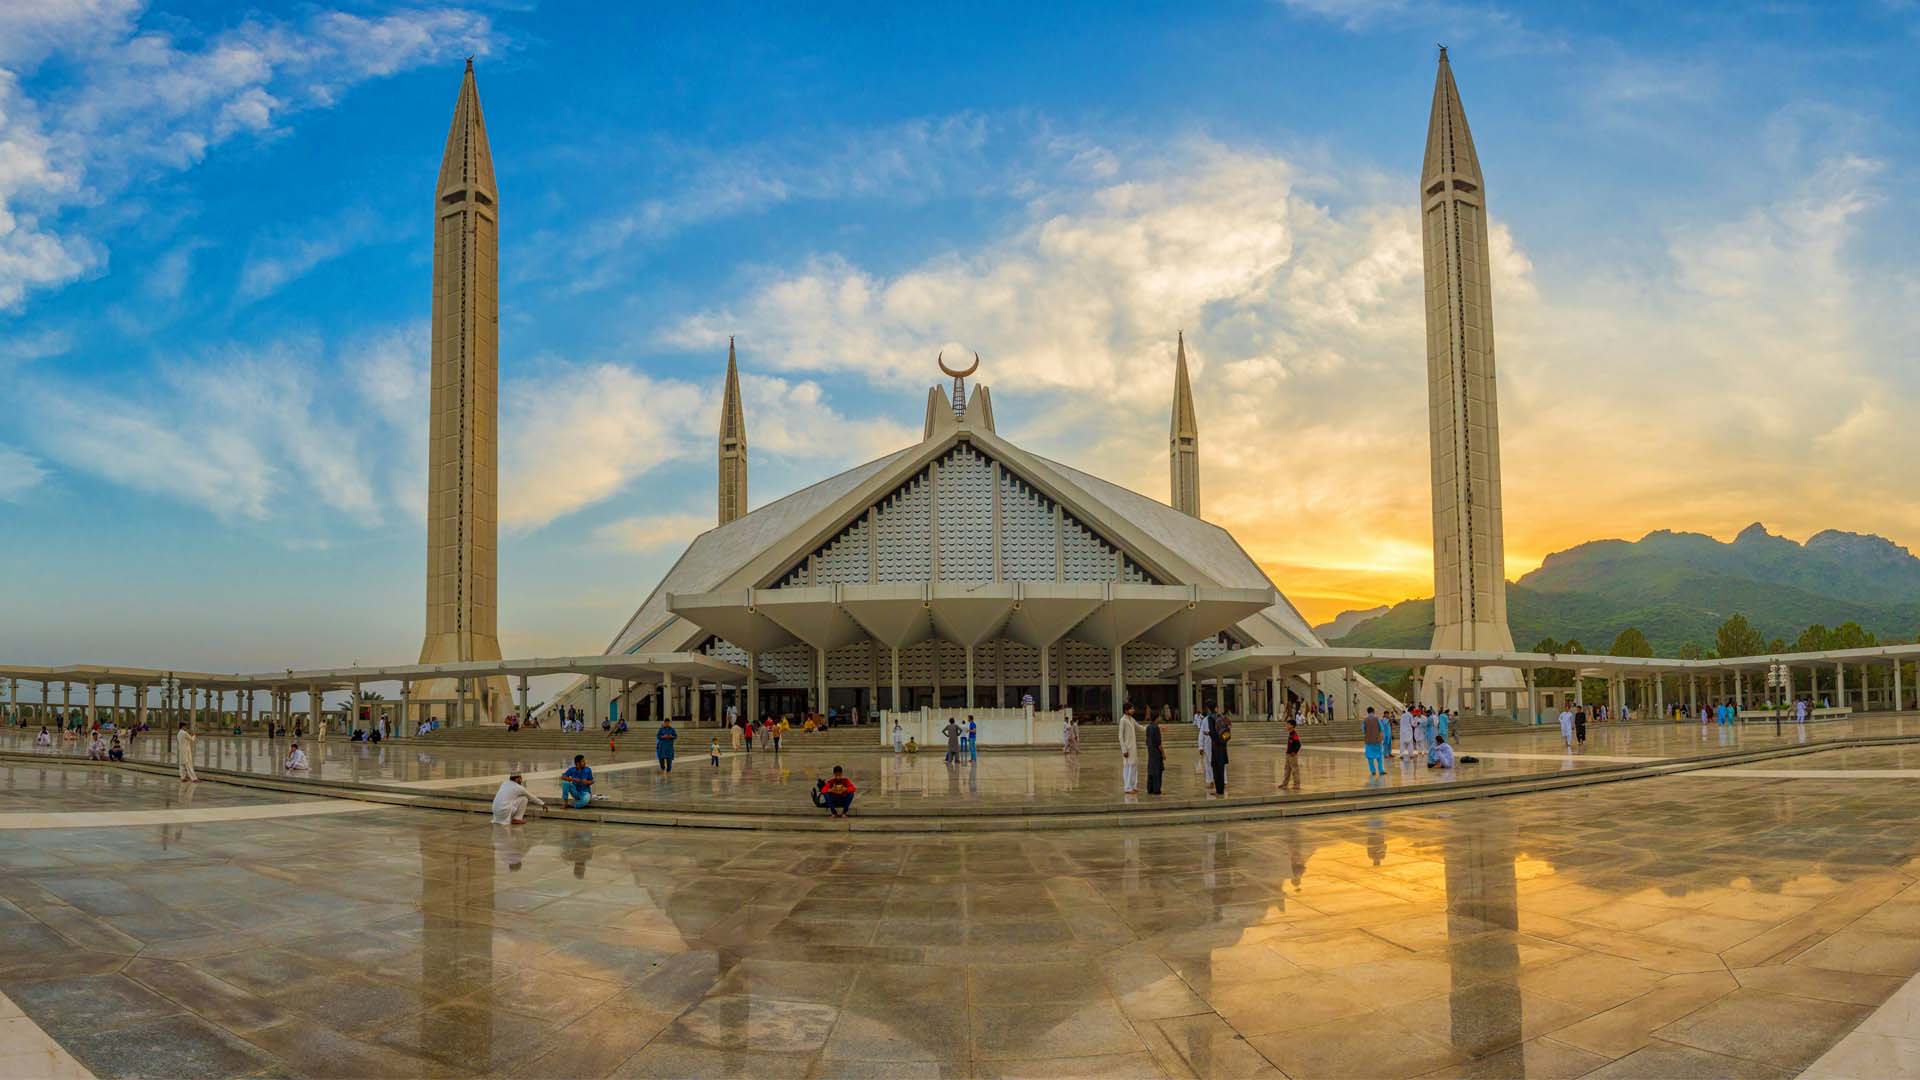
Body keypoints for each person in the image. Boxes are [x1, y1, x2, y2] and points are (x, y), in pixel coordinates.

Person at [1207, 711, 1231, 796]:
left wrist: (1209, 733)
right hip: (1222, 749)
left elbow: (1214, 735)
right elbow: (1227, 736)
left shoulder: (1213, 720)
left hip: (1217, 750)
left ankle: (1219, 791)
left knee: (1217, 771)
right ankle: (1220, 790)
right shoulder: (1225, 725)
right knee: (1221, 770)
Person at [1118, 705, 1140, 794]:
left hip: (1133, 748)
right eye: (1131, 709)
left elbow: (1140, 727)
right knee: (1128, 767)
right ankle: (1127, 787)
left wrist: (1152, 728)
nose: (1133, 710)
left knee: (1134, 767)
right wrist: (1124, 750)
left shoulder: (1132, 719)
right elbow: (1120, 736)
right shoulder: (1123, 720)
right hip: (1127, 748)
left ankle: (1133, 786)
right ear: (1126, 710)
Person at [1144, 708, 1165, 795]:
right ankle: (1156, 789)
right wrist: (1163, 753)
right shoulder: (1156, 728)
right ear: (1157, 718)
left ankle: (1150, 788)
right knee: (1157, 770)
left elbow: (1147, 740)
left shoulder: (1148, 727)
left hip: (1150, 751)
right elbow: (1158, 743)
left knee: (1151, 770)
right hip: (1156, 752)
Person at [1192, 707, 1212, 787]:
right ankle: (1211, 781)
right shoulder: (1205, 720)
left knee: (1219, 764)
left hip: (1217, 745)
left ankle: (1223, 782)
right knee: (1208, 764)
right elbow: (1201, 735)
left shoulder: (1219, 719)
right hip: (1208, 746)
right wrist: (1200, 746)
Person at [1363, 707, 1385, 776]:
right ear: (1373, 711)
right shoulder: (1377, 719)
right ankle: (1381, 770)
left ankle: (1373, 771)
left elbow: (1363, 731)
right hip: (1377, 740)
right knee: (1379, 756)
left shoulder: (1365, 720)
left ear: (1367, 712)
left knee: (1370, 757)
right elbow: (1382, 728)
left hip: (1368, 741)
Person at [1280, 719, 1302, 789]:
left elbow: (1298, 745)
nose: (1287, 726)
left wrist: (1294, 752)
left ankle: (1296, 784)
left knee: (1295, 770)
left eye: (1288, 724)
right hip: (1288, 754)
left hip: (1292, 755)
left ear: (1292, 726)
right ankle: (1284, 784)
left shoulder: (1294, 734)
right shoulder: (1290, 734)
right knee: (1287, 770)